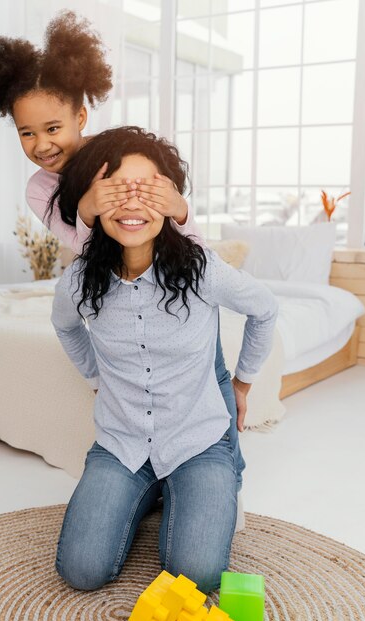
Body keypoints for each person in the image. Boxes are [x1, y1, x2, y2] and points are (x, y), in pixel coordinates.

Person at [0, 10, 246, 506]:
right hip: (118, 294)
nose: (41, 144)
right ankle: (145, 480)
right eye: (26, 133)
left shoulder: (121, 155)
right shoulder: (41, 190)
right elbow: (90, 254)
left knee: (213, 379)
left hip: (180, 290)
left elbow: (183, 240)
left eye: (52, 127)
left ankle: (224, 477)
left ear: (80, 116)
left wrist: (179, 208)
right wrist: (90, 214)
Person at [50, 126, 278, 593]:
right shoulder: (78, 282)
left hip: (198, 441)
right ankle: (150, 488)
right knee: (81, 570)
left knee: (195, 575)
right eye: (116, 190)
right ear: (91, 204)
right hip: (122, 444)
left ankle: (216, 480)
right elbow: (65, 326)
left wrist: (242, 384)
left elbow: (265, 308)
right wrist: (95, 376)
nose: (133, 204)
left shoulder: (201, 268)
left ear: (171, 199)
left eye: (148, 189)